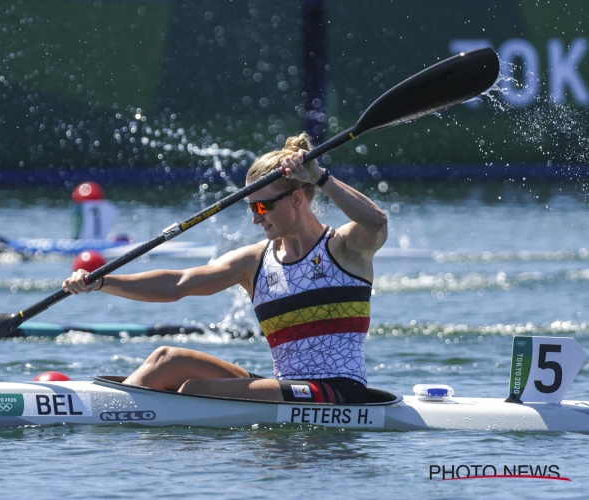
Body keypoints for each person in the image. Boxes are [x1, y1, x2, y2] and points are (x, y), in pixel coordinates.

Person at [63, 133, 388, 404]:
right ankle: (113, 418)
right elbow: (179, 283)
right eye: (250, 206)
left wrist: (321, 177)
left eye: (262, 206)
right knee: (167, 360)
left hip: (340, 392)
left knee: (195, 390)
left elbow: (376, 222)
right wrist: (103, 281)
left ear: (297, 199)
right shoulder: (253, 261)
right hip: (288, 390)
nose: (255, 217)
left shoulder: (344, 248)